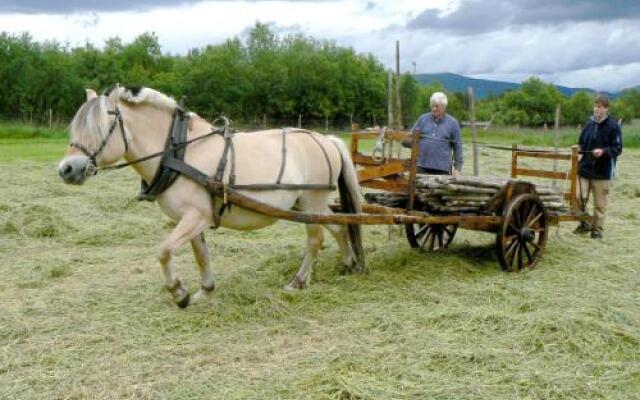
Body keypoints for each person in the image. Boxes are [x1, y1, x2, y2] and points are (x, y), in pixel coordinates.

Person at [573, 94, 622, 239]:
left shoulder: (613, 127)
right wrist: (578, 148)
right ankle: (585, 223)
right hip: (585, 168)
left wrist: (603, 152)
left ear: (606, 109)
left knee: (600, 204)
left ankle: (597, 229)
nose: (596, 109)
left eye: (599, 107)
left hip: (602, 171)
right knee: (576, 197)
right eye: (595, 106)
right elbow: (581, 142)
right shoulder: (589, 124)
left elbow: (618, 149)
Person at [403, 92, 463, 177]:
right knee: (418, 189)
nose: (434, 109)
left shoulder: (453, 123)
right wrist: (405, 140)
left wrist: (458, 168)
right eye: (432, 106)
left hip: (442, 168)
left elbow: (458, 147)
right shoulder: (422, 119)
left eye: (437, 106)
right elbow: (410, 138)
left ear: (444, 107)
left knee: (440, 190)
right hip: (421, 166)